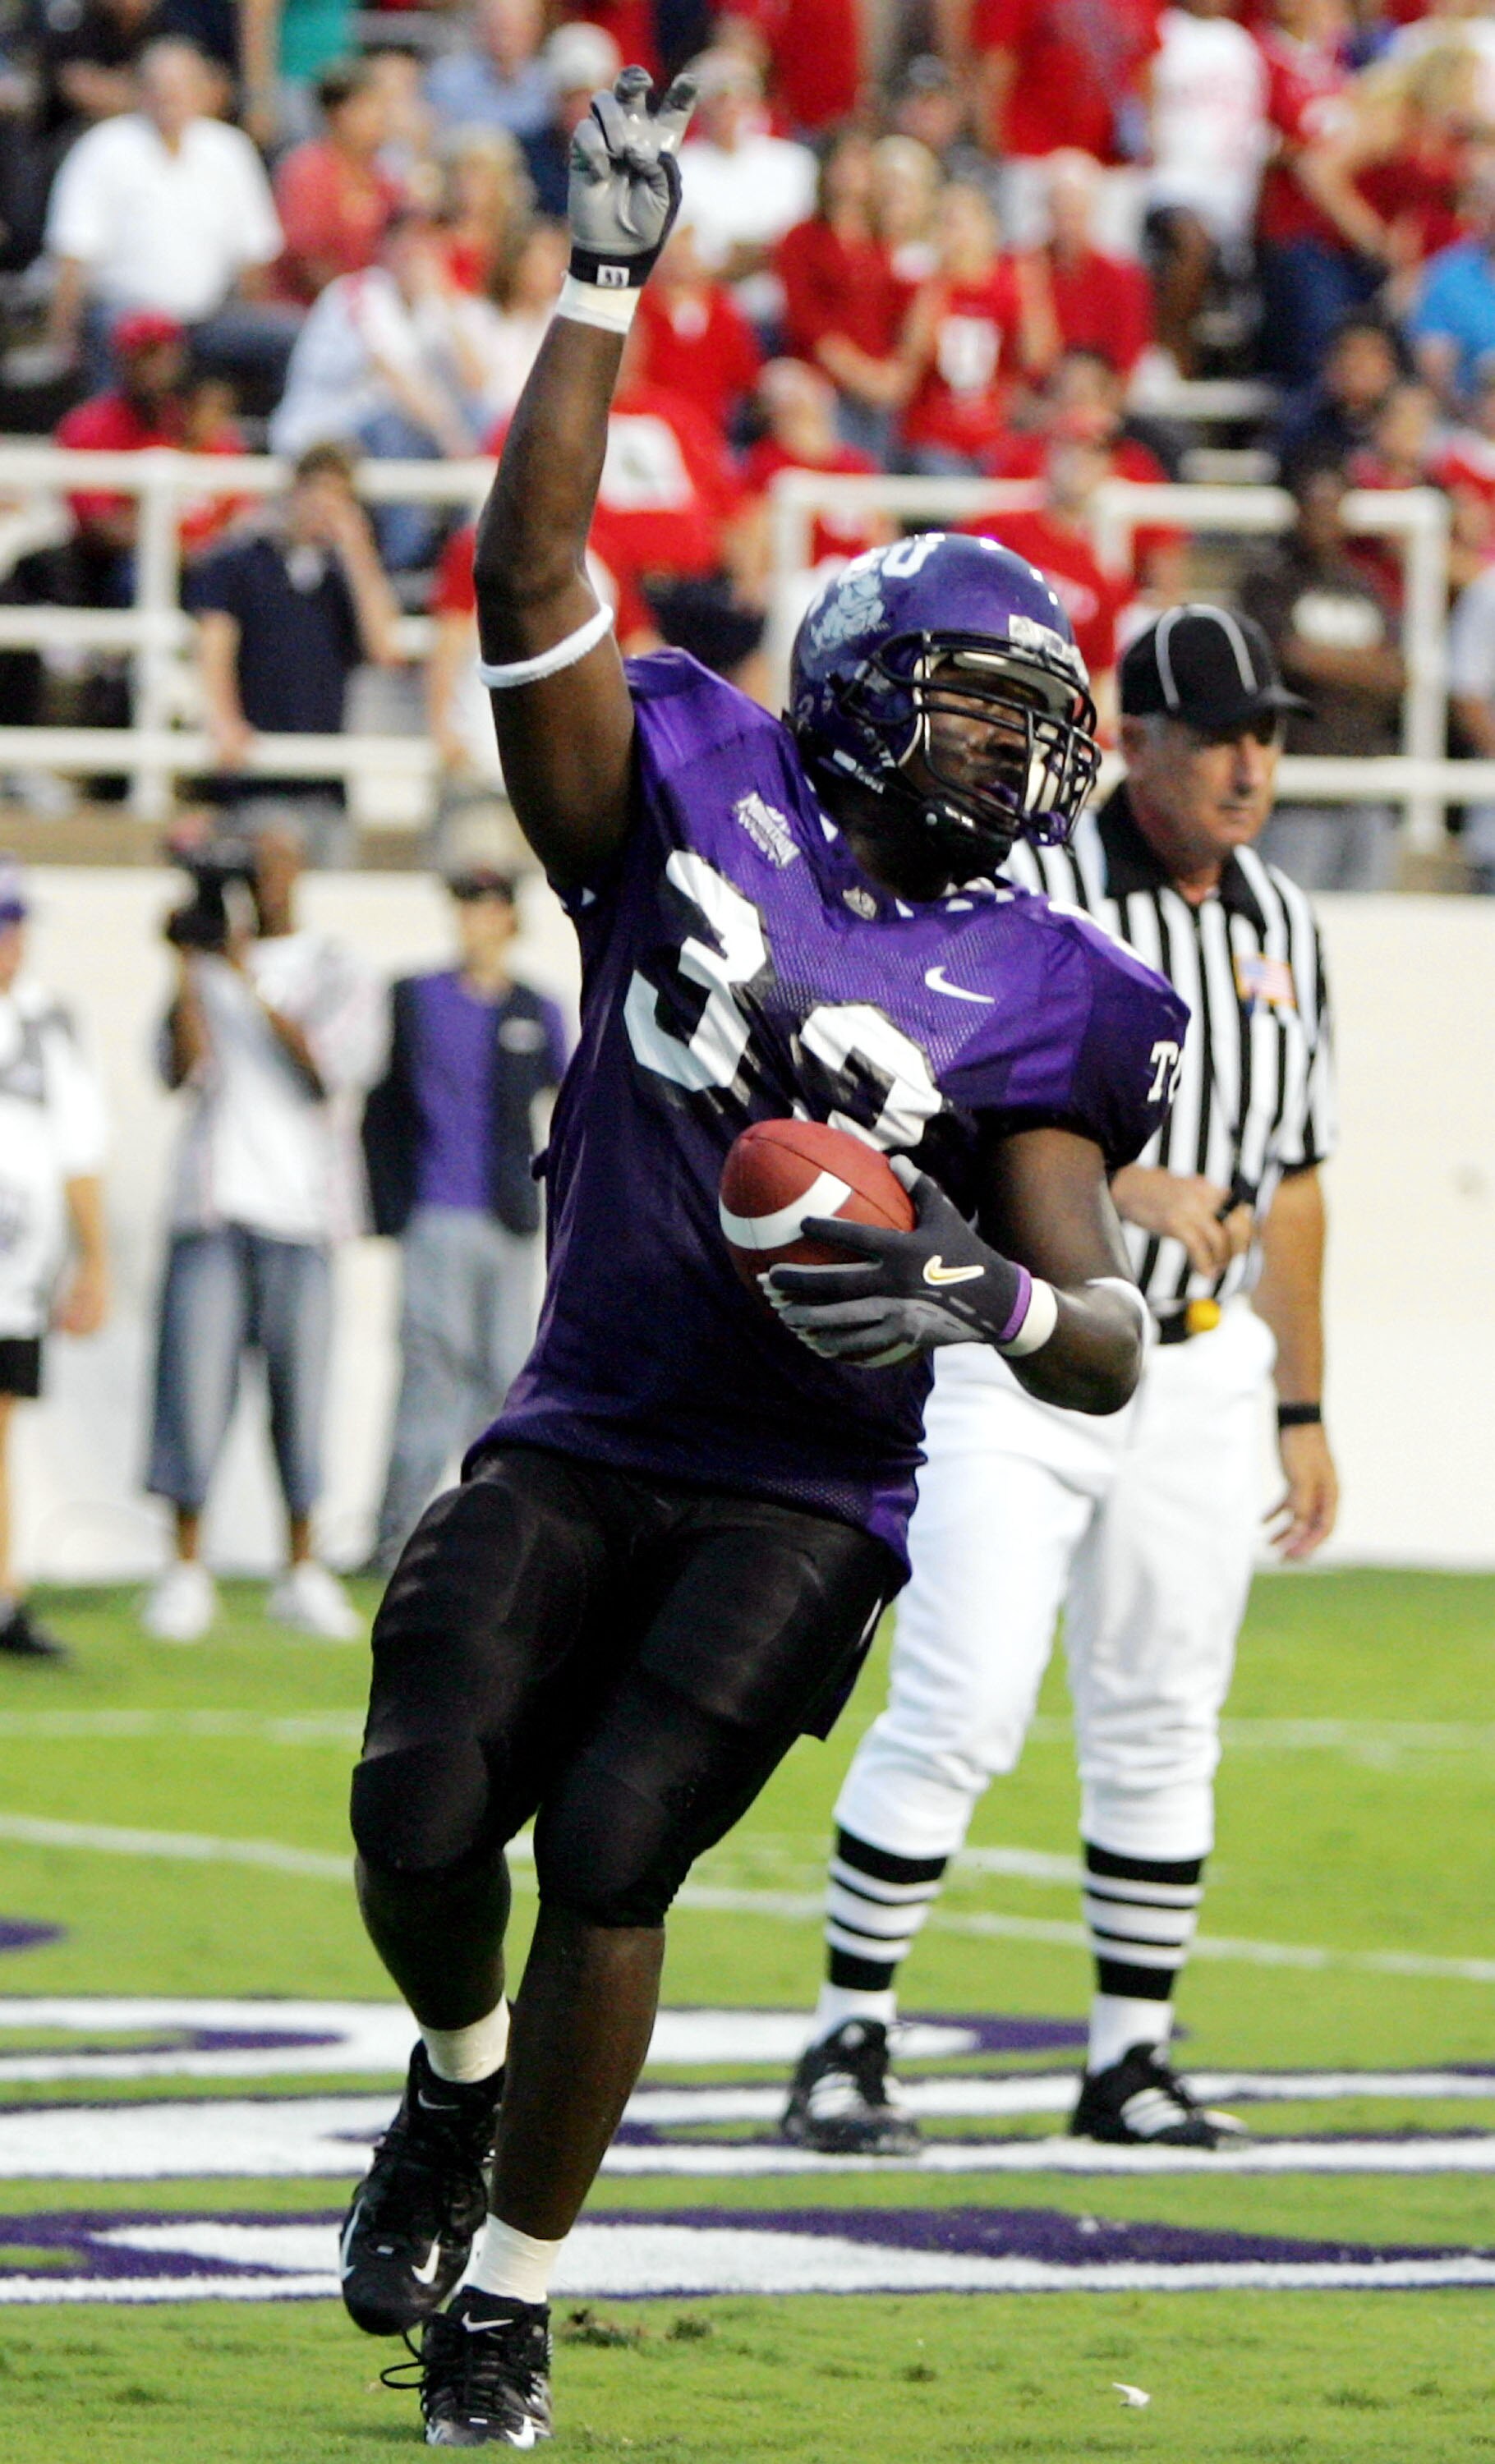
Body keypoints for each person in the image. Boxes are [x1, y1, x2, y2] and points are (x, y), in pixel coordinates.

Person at [338, 68, 1186, 2452]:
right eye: (976, 699)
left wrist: (982, 1301)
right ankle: (451, 2074)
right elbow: (525, 587)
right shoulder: (689, 773)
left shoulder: (1050, 985)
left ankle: (508, 2290)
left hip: (808, 1485)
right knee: (420, 1814)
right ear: (849, 675)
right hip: (589, 1413)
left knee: (614, 1846)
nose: (1013, 751)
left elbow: (1099, 1329)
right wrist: (599, 298)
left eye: (1043, 719)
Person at [781, 605, 1339, 2160]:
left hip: (1206, 1373)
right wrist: (1122, 1183)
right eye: (1220, 729)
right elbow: (933, 1120)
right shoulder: (1030, 894)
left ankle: (1131, 2061)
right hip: (1019, 1362)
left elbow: (1295, 1181)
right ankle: (846, 2038)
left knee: (1166, 1716)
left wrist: (1303, 1405)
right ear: (1137, 741)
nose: (1251, 760)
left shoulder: (1289, 922)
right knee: (961, 1695)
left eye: (1270, 731)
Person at [144, 821, 384, 1645]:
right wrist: (188, 963)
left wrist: (243, 973)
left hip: (306, 1218)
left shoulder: (334, 964)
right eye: (255, 867)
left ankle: (302, 1570)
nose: (266, 879)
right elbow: (177, 1069)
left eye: (278, 864)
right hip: (212, 1208)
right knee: (192, 1396)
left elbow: (327, 1072)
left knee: (302, 1405)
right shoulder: (207, 965)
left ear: (301, 870)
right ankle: (183, 1570)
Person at [361, 870, 567, 1574]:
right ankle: (394, 1540)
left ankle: (487, 1537)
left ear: (509, 919)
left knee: (503, 1377)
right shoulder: (414, 997)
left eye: (487, 906)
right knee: (429, 1371)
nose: (474, 919)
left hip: (506, 1215)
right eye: (466, 905)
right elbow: (381, 1098)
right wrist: (385, 1204)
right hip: (435, 1209)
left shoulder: (535, 1009)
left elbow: (566, 1102)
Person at [44, 39, 297, 404]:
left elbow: (255, 258)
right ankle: (108, 442)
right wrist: (62, 341)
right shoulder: (103, 148)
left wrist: (251, 312)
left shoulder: (230, 150)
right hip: (125, 318)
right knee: (121, 337)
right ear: (140, 92)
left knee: (291, 338)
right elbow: (72, 254)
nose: (169, 98)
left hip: (206, 320)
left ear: (204, 91)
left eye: (180, 88)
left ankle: (263, 447)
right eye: (159, 87)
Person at [189, 441, 400, 867]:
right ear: (294, 491)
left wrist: (358, 551)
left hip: (326, 782)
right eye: (318, 491)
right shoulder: (241, 563)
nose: (325, 507)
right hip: (258, 775)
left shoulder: (343, 579)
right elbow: (214, 644)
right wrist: (224, 720)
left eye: (340, 497)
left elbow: (385, 649)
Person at [0, 857, 109, 1664]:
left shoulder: (47, 1023)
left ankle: (5, 1597)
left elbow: (79, 1153)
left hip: (16, 1278)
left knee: (3, 1430)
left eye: (14, 923)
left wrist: (93, 1261)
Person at [1240, 457, 1405, 890]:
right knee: (1291, 913)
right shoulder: (1270, 580)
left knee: (1370, 926)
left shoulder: (1364, 584)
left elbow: (1398, 672)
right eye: (1315, 503)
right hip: (1298, 788)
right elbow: (1285, 655)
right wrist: (1362, 665)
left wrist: (1323, 661)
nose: (1325, 516)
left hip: (1365, 781)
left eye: (1335, 504)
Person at [273, 57, 400, 307]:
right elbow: (307, 260)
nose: (381, 117)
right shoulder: (307, 171)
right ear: (338, 114)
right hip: (309, 308)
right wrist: (348, 307)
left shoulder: (383, 176)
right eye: (370, 107)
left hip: (370, 306)